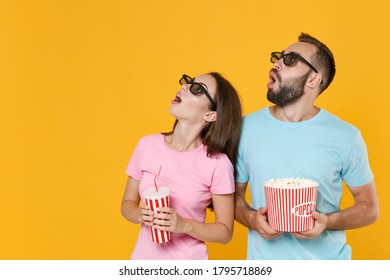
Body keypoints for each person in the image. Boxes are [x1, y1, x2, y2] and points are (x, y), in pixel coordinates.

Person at [234, 33, 379, 259]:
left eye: (290, 59)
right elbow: (233, 198)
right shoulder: (244, 129)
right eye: (279, 57)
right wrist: (253, 219)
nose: (276, 64)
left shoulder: (346, 136)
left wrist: (327, 222)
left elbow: (369, 207)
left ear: (313, 79)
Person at [121, 72, 242, 259]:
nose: (184, 87)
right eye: (189, 83)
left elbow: (225, 232)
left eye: (197, 89)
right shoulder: (147, 145)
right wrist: (140, 214)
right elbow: (127, 204)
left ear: (210, 115)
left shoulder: (218, 164)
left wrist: (183, 224)